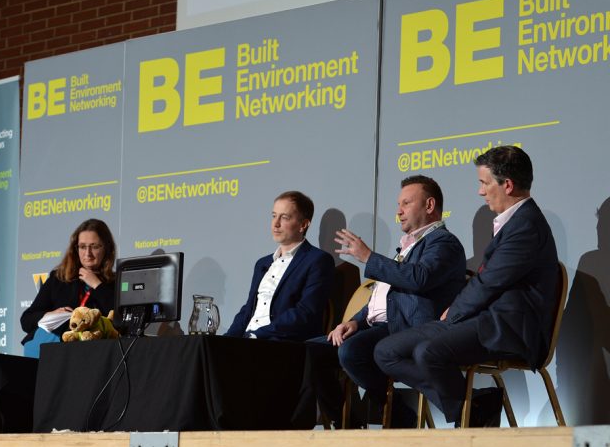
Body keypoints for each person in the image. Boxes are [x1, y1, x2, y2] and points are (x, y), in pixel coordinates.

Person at [375, 146, 559, 427]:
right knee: (385, 351)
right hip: (483, 317)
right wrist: (456, 311)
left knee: (429, 352)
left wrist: (455, 312)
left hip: (509, 326)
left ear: (507, 185)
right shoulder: (514, 223)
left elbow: (489, 282)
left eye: (484, 183)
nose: (480, 192)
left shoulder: (526, 225)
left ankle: (468, 418)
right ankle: (475, 410)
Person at [307, 175, 466, 428]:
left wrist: (369, 257)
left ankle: (397, 414)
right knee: (307, 352)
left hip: (408, 328)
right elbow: (382, 296)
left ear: (429, 205)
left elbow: (420, 278)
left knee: (351, 352)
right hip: (380, 326)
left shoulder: (444, 243)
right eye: (398, 204)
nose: (399, 211)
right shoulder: (408, 246)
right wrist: (355, 322)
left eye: (406, 203)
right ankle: (347, 422)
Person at [225, 190, 335, 341]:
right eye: (274, 216)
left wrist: (259, 334)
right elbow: (248, 309)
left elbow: (305, 312)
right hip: (249, 339)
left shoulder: (318, 260)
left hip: (281, 341)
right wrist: (226, 340)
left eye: (284, 217)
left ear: (303, 225)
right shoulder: (263, 263)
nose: (276, 224)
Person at [21, 218, 117, 357]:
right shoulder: (59, 278)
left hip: (89, 356)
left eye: (94, 246)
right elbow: (26, 320)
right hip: (48, 351)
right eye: (82, 247)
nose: (87, 253)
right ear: (75, 248)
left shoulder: (114, 283)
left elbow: (121, 322)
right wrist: (50, 314)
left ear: (107, 248)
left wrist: (97, 285)